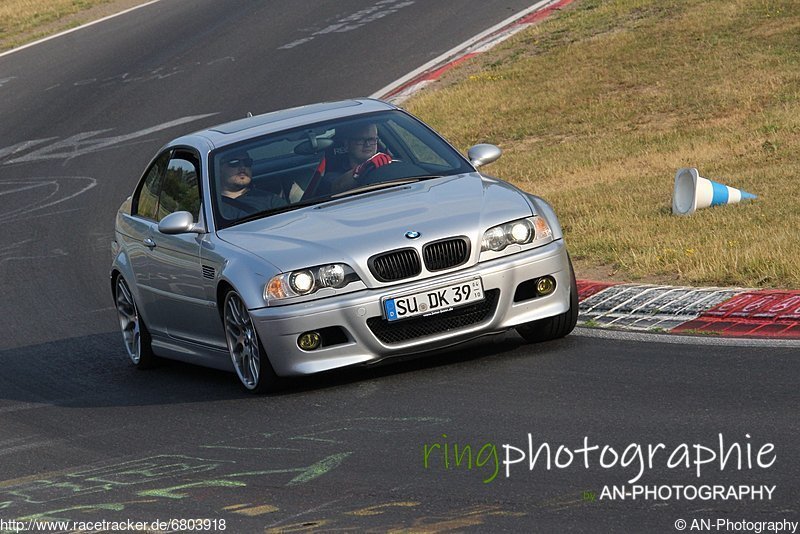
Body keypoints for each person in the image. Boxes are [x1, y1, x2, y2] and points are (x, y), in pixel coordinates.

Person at [309, 123, 394, 197]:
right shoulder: (332, 175)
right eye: (360, 140)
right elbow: (338, 186)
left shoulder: (387, 163)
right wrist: (361, 170)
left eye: (371, 139)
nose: (367, 144)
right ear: (347, 144)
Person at [217, 151, 287, 220]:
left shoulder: (270, 200)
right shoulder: (211, 208)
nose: (243, 167)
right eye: (234, 163)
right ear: (219, 169)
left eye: (247, 162)